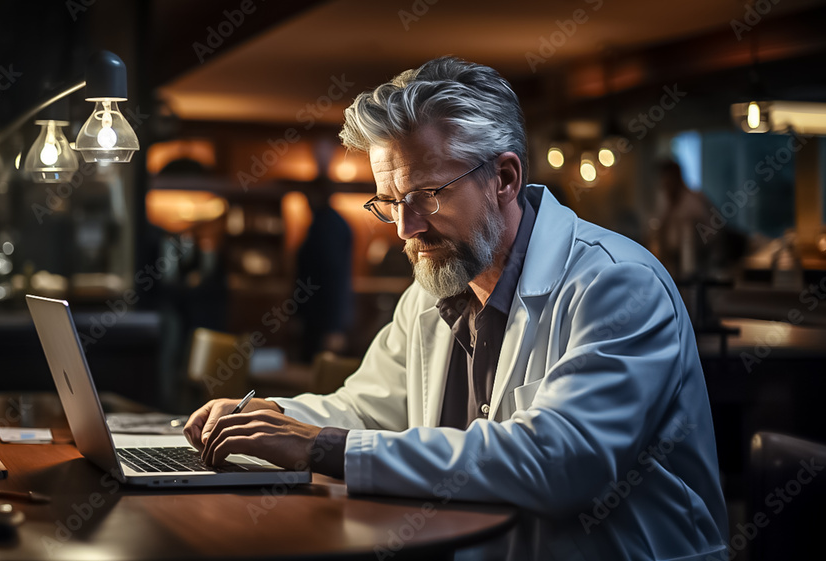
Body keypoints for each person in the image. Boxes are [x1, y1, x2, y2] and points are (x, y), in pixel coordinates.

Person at [185, 57, 728, 560]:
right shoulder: (431, 292)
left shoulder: (618, 284)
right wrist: (267, 420)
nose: (405, 228)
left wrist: (319, 446)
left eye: (427, 195)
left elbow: (559, 463)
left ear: (505, 179)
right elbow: (367, 411)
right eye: (391, 202)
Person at [294, 175, 354, 362]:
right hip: (321, 314)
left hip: (320, 316)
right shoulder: (332, 223)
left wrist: (333, 325)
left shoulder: (326, 227)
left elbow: (332, 277)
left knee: (316, 371)